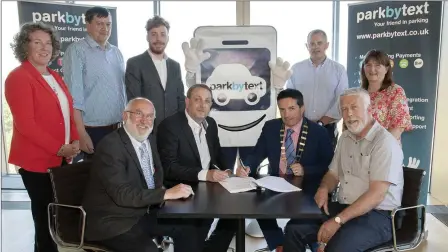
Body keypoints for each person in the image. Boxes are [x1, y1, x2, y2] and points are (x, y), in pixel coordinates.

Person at [283, 87, 404, 252]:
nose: (349, 114)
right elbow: (333, 173)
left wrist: (338, 220)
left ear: (369, 110)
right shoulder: (345, 138)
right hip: (346, 206)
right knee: (294, 229)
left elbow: (376, 195)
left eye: (354, 107)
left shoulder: (384, 143)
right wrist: (324, 188)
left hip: (378, 215)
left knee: (336, 248)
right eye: (344, 109)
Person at [82, 97, 210, 252]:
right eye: (138, 114)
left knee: (188, 228)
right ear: (125, 116)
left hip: (142, 213)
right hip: (113, 222)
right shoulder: (111, 147)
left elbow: (156, 177)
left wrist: (167, 195)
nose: (144, 120)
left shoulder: (149, 139)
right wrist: (165, 194)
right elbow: (122, 194)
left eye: (150, 116)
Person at [5, 22, 80, 252]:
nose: (44, 47)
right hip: (37, 163)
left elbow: (68, 111)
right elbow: (26, 125)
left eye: (48, 43)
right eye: (37, 42)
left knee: (55, 218)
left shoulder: (54, 76)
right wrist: (60, 148)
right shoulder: (18, 77)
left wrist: (75, 139)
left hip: (60, 159)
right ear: (24, 46)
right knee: (44, 221)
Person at [236, 89, 334, 252]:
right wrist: (247, 166)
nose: (286, 114)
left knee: (301, 218)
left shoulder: (319, 132)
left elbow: (329, 165)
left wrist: (306, 170)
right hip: (276, 182)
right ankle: (278, 244)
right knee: (258, 205)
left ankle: (314, 243)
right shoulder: (271, 127)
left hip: (307, 186)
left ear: (302, 108)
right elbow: (257, 154)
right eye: (282, 109)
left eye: (291, 109)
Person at [157, 84, 237, 252]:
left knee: (235, 216)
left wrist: (228, 170)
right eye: (197, 100)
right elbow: (169, 168)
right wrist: (205, 175)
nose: (202, 105)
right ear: (187, 102)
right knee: (192, 237)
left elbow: (217, 153)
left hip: (208, 187)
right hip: (183, 188)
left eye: (207, 101)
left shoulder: (211, 124)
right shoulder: (170, 126)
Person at [63, 6, 126, 161]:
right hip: (92, 131)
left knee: (114, 178)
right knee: (96, 180)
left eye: (108, 24)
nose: (105, 28)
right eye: (99, 23)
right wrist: (81, 133)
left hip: (117, 128)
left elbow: (121, 92)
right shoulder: (76, 51)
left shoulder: (116, 53)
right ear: (88, 25)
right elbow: (73, 98)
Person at [286, 29, 348, 148]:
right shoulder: (296, 69)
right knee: (299, 165)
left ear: (327, 45)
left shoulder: (339, 70)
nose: (315, 47)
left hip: (327, 129)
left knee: (326, 165)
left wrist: (321, 123)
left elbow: (341, 99)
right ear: (307, 46)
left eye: (319, 43)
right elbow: (290, 98)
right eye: (312, 44)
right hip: (300, 127)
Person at [126, 16, 186, 134]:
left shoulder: (175, 66)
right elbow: (134, 100)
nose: (158, 39)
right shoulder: (135, 63)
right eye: (153, 34)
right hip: (146, 130)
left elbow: (180, 99)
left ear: (168, 37)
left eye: (162, 34)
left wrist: (181, 126)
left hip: (173, 131)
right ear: (147, 37)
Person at [360, 49, 412, 143]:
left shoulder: (395, 91)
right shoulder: (358, 94)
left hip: (384, 150)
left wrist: (376, 147)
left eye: (377, 65)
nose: (372, 69)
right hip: (359, 150)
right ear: (363, 68)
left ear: (386, 69)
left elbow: (398, 127)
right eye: (368, 65)